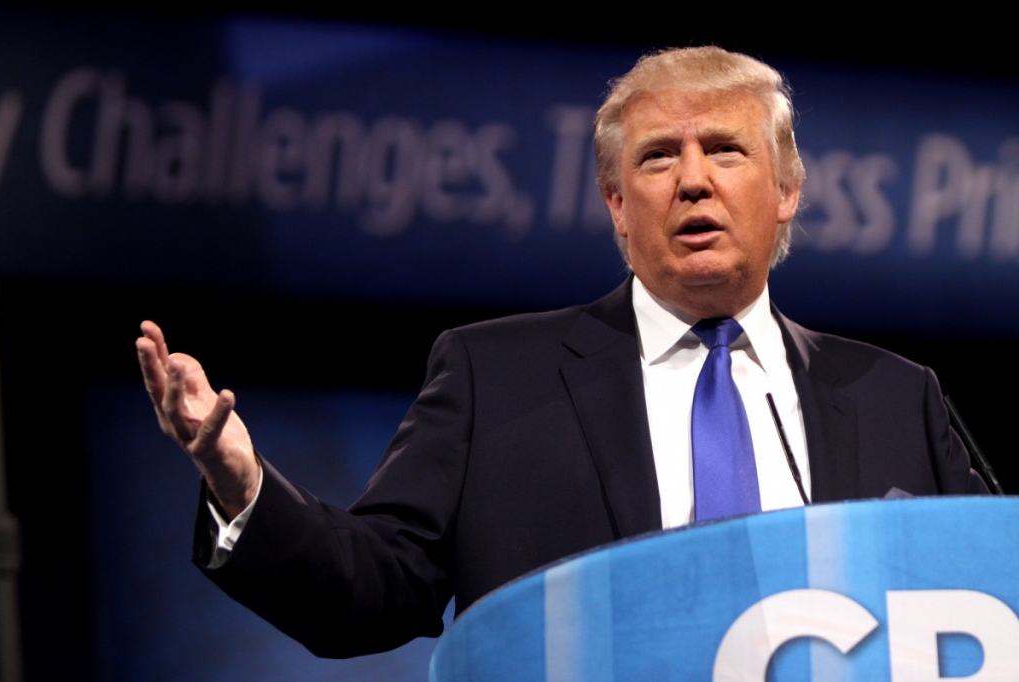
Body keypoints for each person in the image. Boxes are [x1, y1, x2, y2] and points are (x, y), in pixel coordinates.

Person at [136, 46, 985, 658]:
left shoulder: (892, 396)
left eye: (725, 149)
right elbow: (371, 592)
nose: (694, 180)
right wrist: (243, 485)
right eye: (659, 158)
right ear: (617, 204)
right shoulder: (495, 378)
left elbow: (991, 593)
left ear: (788, 191)